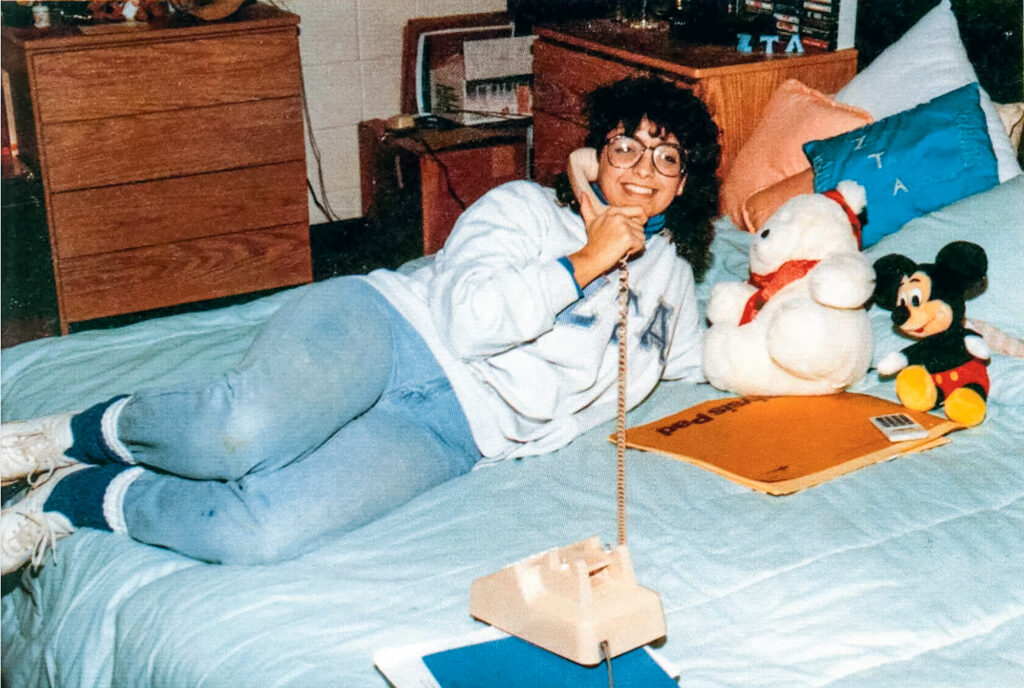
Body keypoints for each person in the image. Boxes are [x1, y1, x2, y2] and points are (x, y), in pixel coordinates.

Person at [0, 76, 720, 573]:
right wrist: (584, 262)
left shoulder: (672, 281)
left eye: (667, 157)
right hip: (391, 332)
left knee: (262, 532)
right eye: (626, 146)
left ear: (683, 183)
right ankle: (66, 435)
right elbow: (469, 325)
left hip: (457, 433)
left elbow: (698, 363)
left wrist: (795, 326)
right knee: (240, 432)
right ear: (596, 155)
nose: (643, 169)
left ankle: (72, 496)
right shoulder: (522, 210)